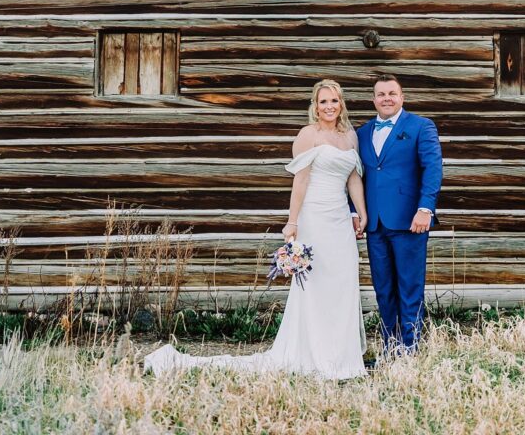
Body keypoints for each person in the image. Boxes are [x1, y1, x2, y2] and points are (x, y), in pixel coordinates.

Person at [144, 79, 368, 380]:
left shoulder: (350, 136)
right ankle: (315, 355)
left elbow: (353, 178)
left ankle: (343, 357)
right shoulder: (307, 135)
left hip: (340, 219)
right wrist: (293, 222)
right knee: (315, 286)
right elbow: (300, 181)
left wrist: (361, 213)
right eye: (323, 101)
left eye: (334, 101)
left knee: (341, 283)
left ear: (342, 103)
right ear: (315, 106)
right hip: (314, 216)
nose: (329, 106)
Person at [354, 74, 443, 351]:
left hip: (410, 221)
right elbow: (353, 176)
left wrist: (425, 208)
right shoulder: (362, 133)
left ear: (402, 97)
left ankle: (410, 347)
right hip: (375, 224)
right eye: (381, 94)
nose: (387, 99)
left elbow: (433, 168)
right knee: (384, 289)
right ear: (374, 100)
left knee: (409, 286)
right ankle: (389, 345)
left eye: (392, 93)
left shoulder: (421, 127)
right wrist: (354, 213)